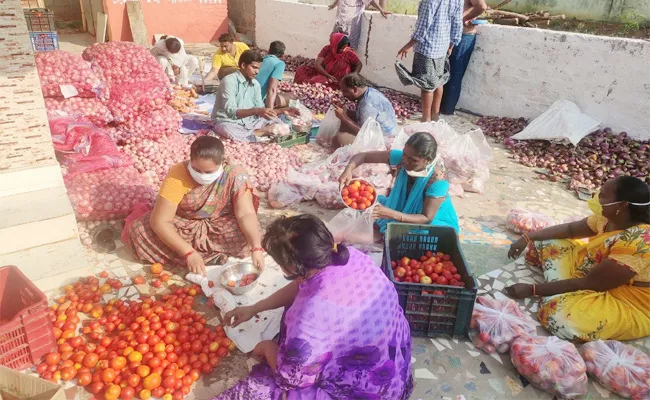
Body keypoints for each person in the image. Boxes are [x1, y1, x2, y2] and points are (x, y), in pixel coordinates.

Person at [216, 214, 414, 400]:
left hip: (371, 390)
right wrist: (255, 308)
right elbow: (299, 285)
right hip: (395, 368)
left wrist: (268, 348)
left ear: (290, 267)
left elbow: (291, 377)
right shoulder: (351, 257)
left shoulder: (311, 314)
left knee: (260, 390)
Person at [506, 176, 650, 342]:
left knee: (559, 319)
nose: (596, 197)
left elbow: (591, 283)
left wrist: (533, 290)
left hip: (627, 301)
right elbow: (569, 229)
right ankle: (559, 291)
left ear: (622, 205)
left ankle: (558, 292)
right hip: (594, 274)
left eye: (602, 195)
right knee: (546, 242)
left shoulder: (640, 242)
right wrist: (527, 237)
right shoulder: (607, 218)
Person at [126, 136, 264, 276]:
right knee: (139, 230)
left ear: (222, 163)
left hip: (218, 224)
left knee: (251, 234)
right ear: (190, 160)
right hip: (184, 224)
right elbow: (160, 221)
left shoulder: (234, 174)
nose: (202, 175)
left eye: (209, 172)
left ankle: (201, 258)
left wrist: (257, 248)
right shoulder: (177, 174)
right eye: (197, 170)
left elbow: (245, 214)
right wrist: (189, 253)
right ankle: (205, 257)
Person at [339, 132, 459, 233]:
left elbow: (427, 218)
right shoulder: (401, 158)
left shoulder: (437, 181)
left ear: (428, 161)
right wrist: (348, 170)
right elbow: (363, 156)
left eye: (414, 160)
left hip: (432, 221)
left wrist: (394, 214)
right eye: (405, 155)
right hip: (406, 208)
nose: (406, 161)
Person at [396, 0, 463, 122]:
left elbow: (424, 24)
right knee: (438, 81)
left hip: (427, 47)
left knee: (427, 84)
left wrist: (409, 45)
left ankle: (426, 118)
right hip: (443, 46)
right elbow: (457, 23)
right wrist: (452, 44)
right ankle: (435, 116)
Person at [211, 50, 298, 142]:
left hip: (250, 121)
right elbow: (231, 112)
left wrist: (282, 111)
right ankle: (261, 132)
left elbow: (261, 109)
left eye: (258, 69)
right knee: (227, 129)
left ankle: (258, 132)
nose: (257, 72)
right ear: (243, 65)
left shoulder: (255, 84)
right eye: (254, 67)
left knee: (278, 122)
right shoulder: (229, 81)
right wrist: (256, 111)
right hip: (228, 121)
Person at [440, 0, 487, 115]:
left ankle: (446, 110)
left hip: (463, 36)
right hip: (447, 35)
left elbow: (481, 6)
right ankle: (438, 108)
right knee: (442, 73)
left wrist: (463, 19)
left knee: (454, 75)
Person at [332, 73, 397, 148]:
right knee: (346, 115)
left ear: (355, 89)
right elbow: (363, 116)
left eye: (345, 91)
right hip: (381, 133)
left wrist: (344, 117)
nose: (343, 94)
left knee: (338, 138)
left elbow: (365, 133)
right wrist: (345, 111)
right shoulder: (370, 92)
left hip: (382, 141)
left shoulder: (366, 103)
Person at [294, 33, 362, 86]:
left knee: (318, 82)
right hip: (325, 74)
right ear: (335, 45)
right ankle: (297, 88)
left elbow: (359, 64)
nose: (343, 50)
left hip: (340, 80)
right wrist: (328, 75)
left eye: (345, 47)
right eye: (341, 48)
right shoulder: (327, 49)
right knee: (300, 70)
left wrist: (353, 75)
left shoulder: (349, 53)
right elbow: (318, 64)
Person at [255, 40, 293, 109]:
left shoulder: (261, 59)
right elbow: (272, 89)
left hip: (246, 97)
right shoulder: (279, 64)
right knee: (292, 97)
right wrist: (270, 111)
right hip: (256, 100)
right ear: (282, 55)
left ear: (269, 51)